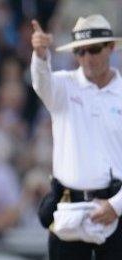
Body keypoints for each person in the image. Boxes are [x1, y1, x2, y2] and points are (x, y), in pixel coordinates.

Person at [31, 14, 122, 259]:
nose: (87, 59)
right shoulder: (63, 85)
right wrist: (40, 55)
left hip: (116, 208)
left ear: (110, 48)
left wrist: (116, 206)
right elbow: (41, 83)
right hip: (69, 207)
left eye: (93, 50)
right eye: (80, 52)